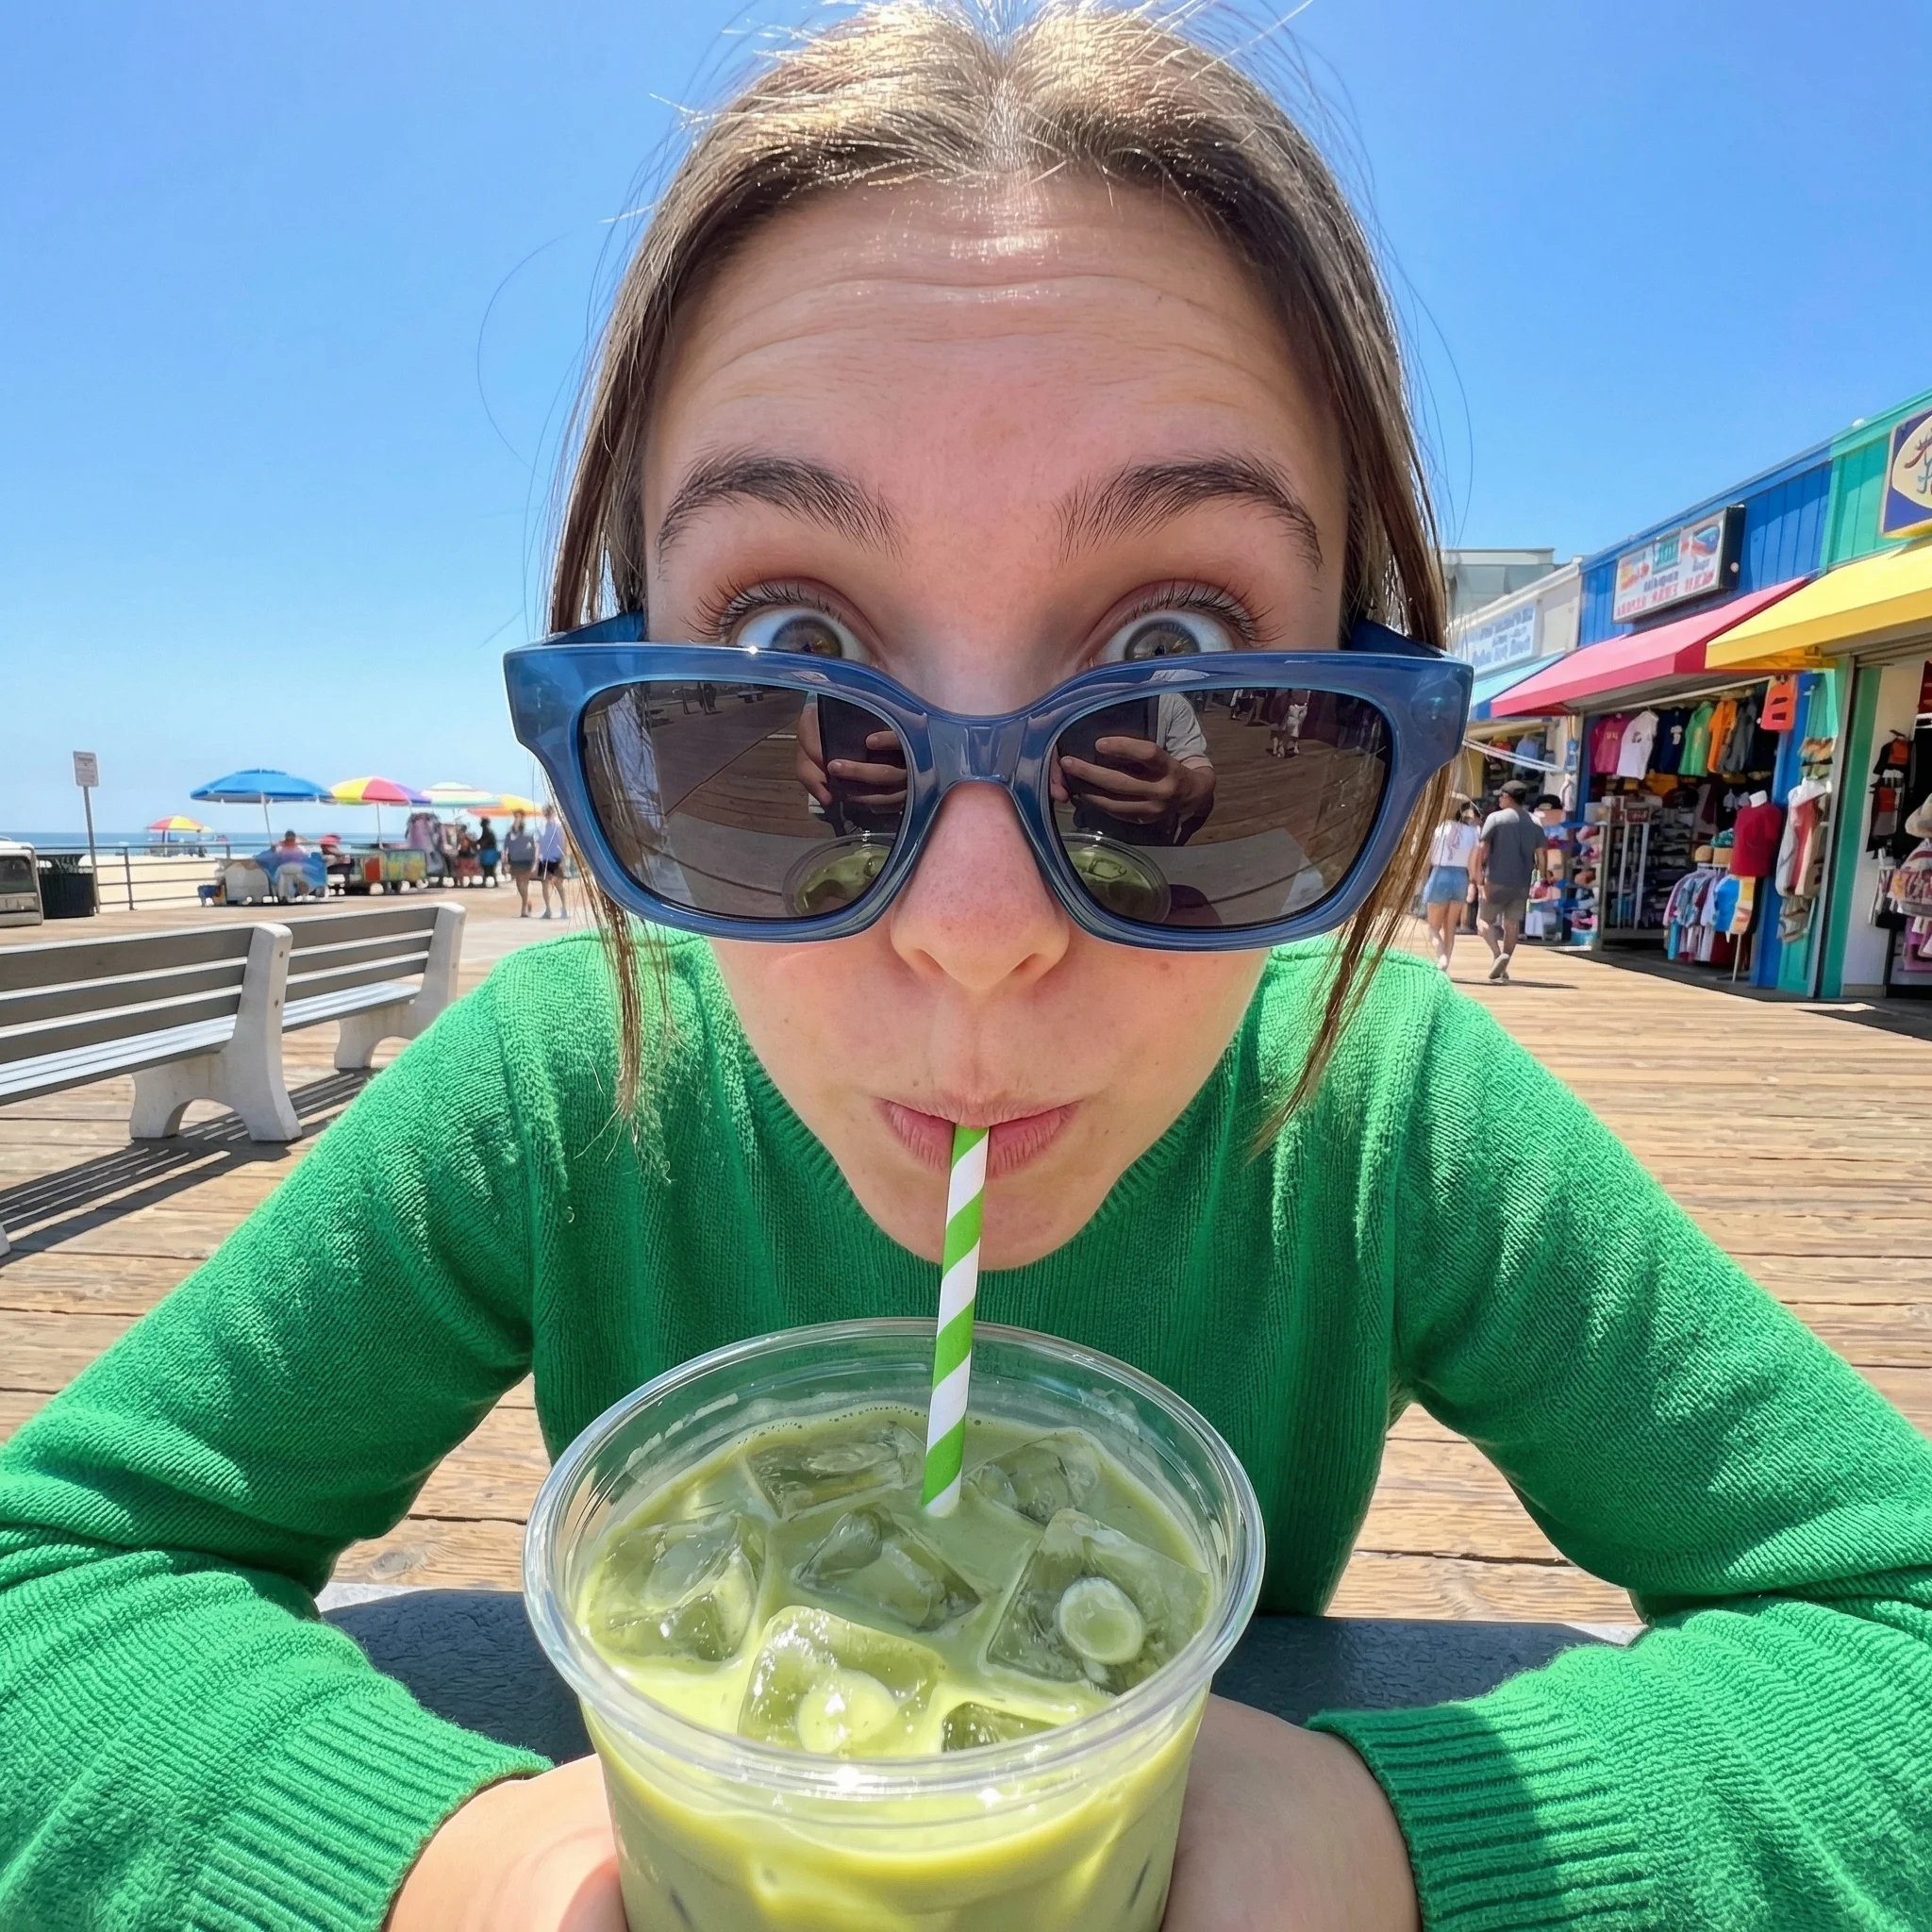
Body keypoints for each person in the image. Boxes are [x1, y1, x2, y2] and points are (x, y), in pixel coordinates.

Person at [4, 12, 1928, 1932]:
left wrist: (1395, 1844)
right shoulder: (558, 1084)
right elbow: (49, 1582)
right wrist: (455, 1869)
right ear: (622, 696)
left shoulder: (1373, 1114)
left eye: (1186, 679)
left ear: (1377, 705)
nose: (978, 926)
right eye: (781, 661)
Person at [1474, 779, 1545, 983]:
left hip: (1496, 879)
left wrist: (1479, 873)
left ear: (1507, 797)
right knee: (1512, 923)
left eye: (1501, 796)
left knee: (1483, 922)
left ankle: (1498, 955)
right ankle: (1504, 962)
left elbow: (1482, 848)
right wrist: (1543, 875)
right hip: (1522, 882)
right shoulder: (1535, 822)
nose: (1499, 799)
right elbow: (1541, 854)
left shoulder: (1495, 819)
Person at [1421, 792, 1480, 971]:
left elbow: (1427, 858)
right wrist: (1473, 883)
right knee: (1450, 926)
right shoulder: (1472, 832)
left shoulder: (1438, 828)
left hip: (1440, 874)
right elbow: (1473, 863)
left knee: (1433, 928)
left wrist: (1423, 879)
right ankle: (1445, 966)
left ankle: (1441, 958)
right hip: (1461, 877)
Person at [534, 801, 570, 920]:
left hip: (556, 858)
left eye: (549, 812)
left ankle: (564, 908)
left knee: (558, 884)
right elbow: (538, 844)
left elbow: (564, 842)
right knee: (545, 884)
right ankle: (548, 909)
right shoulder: (542, 827)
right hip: (544, 859)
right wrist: (536, 860)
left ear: (553, 813)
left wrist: (564, 858)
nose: (548, 814)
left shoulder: (558, 826)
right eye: (546, 812)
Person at [502, 809, 537, 917]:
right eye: (516, 817)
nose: (517, 819)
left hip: (526, 860)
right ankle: (528, 901)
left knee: (524, 884)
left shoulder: (528, 832)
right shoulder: (510, 833)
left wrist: (535, 861)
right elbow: (505, 848)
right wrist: (505, 862)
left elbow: (535, 846)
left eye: (519, 817)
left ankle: (524, 909)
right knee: (518, 885)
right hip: (514, 861)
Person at [475, 815, 499, 887]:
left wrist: (477, 843)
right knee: (490, 867)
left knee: (487, 867)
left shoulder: (487, 831)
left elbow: (484, 841)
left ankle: (487, 882)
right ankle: (494, 882)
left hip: (488, 852)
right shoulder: (488, 831)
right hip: (491, 852)